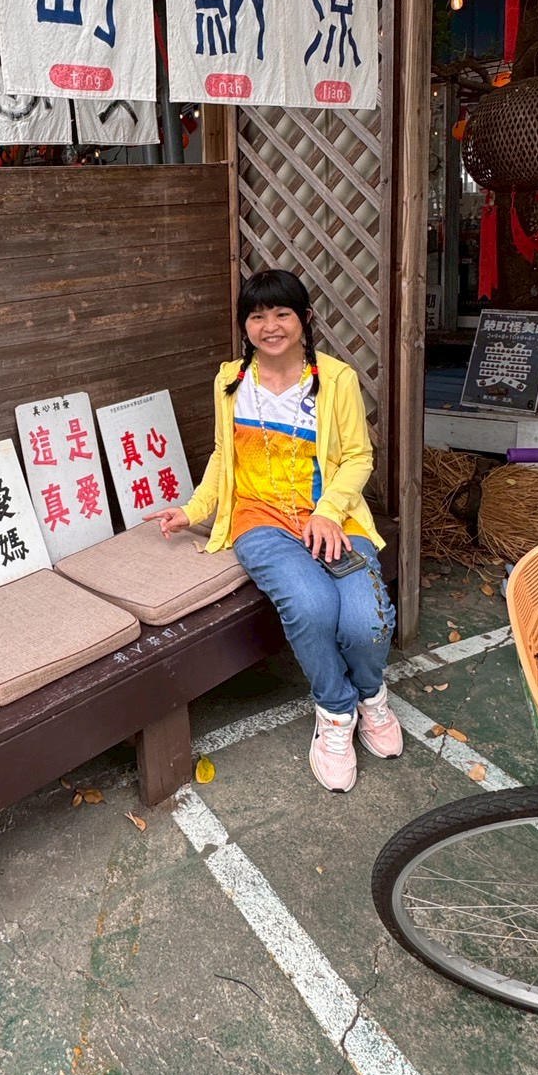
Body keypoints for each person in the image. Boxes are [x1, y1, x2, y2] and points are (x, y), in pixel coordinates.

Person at [147, 269, 401, 792]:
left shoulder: (336, 380)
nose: (270, 326)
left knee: (367, 620)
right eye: (257, 316)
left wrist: (328, 511)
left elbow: (358, 457)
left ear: (304, 319)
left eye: (282, 313)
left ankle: (371, 696)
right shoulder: (230, 381)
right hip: (260, 518)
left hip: (333, 516)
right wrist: (194, 510)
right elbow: (224, 455)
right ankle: (336, 712)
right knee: (311, 606)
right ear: (245, 325)